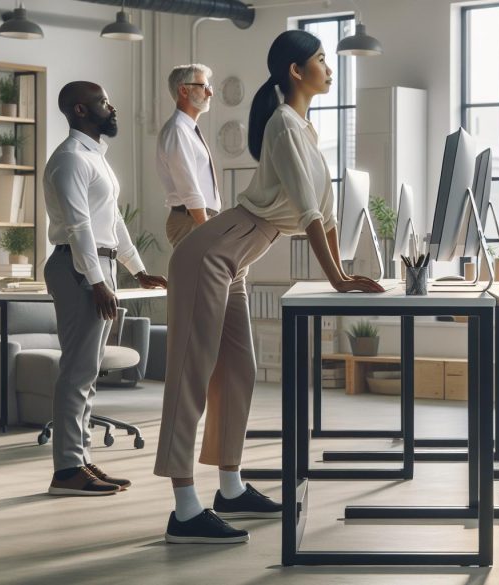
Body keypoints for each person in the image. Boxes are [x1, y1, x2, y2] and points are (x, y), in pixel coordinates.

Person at [154, 30, 384, 544]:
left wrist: (342, 273)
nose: (329, 66)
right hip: (210, 254)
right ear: (296, 72)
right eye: (322, 59)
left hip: (235, 257)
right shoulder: (283, 124)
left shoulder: (302, 127)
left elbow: (321, 215)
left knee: (238, 372)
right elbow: (307, 214)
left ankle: (230, 487)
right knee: (192, 376)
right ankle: (183, 509)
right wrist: (337, 278)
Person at [44, 81, 167, 496]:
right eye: (103, 103)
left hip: (99, 265)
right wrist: (96, 282)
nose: (111, 108)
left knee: (88, 372)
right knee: (77, 371)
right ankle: (66, 471)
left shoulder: (96, 158)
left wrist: (138, 269)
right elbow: (79, 228)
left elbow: (111, 221)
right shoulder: (70, 160)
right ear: (80, 110)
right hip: (78, 268)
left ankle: (80, 460)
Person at [158, 64, 221, 247]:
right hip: (191, 220)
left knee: (234, 272)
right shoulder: (178, 130)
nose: (209, 93)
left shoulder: (187, 129)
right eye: (204, 87)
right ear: (184, 90)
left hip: (197, 219)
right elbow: (188, 187)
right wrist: (206, 227)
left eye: (209, 87)